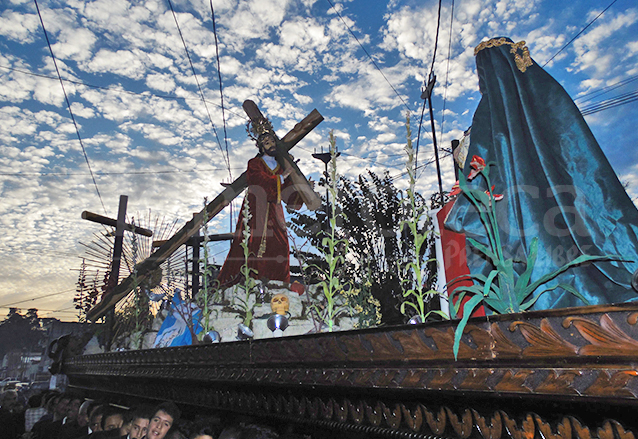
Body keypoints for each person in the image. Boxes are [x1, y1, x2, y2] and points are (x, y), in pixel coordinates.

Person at [445, 37, 638, 310]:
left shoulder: (488, 116)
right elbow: (582, 157)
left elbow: (478, 167)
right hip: (557, 206)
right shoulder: (548, 93)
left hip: (516, 211)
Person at [216, 130, 303, 288]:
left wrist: (303, 189)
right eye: (267, 142)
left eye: (272, 141)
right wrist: (282, 177)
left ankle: (278, 284)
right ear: (261, 147)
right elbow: (258, 181)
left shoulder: (281, 167)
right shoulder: (255, 163)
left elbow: (287, 193)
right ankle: (253, 283)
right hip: (257, 209)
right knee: (255, 244)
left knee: (280, 245)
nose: (271, 144)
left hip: (275, 211)